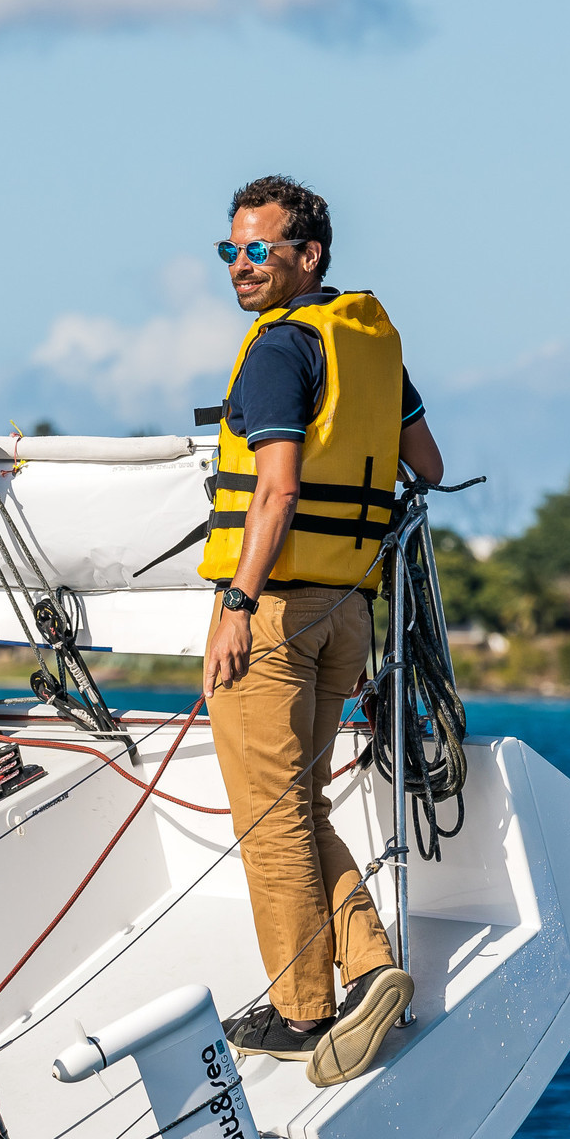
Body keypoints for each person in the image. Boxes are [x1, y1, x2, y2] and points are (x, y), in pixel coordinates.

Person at [199, 177, 444, 1086]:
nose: (241, 268)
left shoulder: (281, 348)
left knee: (269, 820)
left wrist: (235, 603)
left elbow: (277, 488)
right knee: (299, 805)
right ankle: (373, 967)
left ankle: (303, 1012)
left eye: (258, 250)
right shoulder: (367, 343)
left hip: (271, 613)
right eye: (231, 251)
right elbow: (427, 460)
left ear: (308, 256)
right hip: (349, 611)